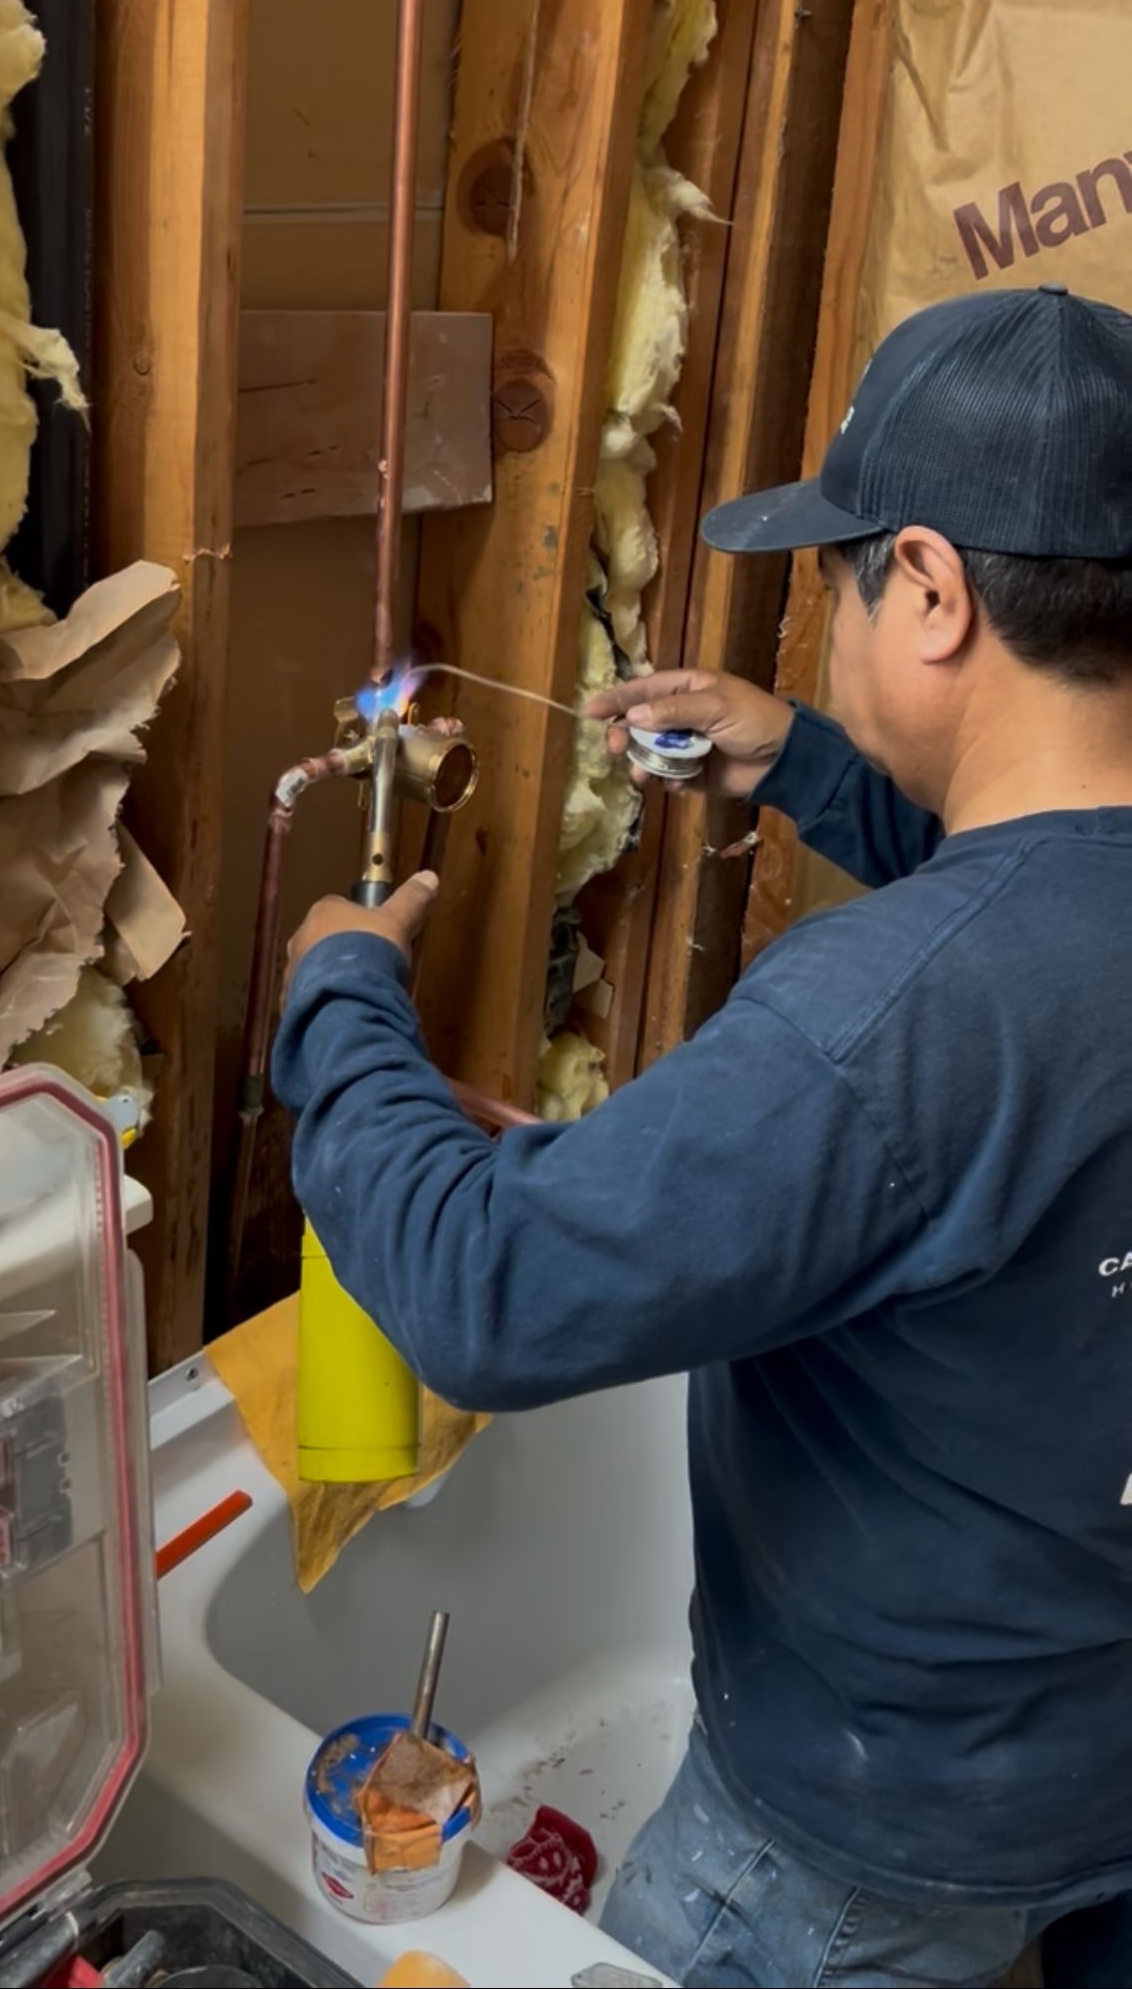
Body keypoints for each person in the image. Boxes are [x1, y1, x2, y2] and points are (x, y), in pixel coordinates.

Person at [273, 284, 1132, 1989]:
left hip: (856, 1835)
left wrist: (339, 999)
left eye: (838, 573)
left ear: (933, 591)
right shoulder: (995, 982)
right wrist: (804, 758)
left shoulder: (878, 1028)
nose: (824, 612)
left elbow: (483, 1289)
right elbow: (1040, 924)